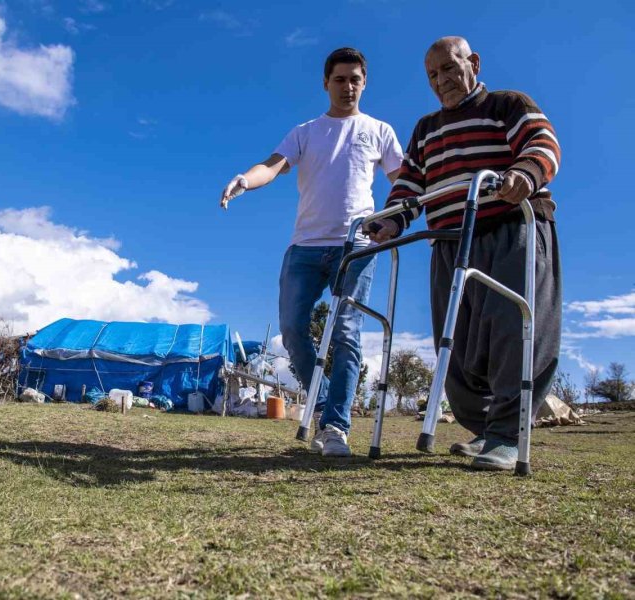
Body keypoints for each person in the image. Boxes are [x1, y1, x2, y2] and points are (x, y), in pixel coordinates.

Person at [369, 36, 561, 471]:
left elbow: (543, 144)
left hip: (509, 228)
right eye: (432, 76)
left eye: (449, 69)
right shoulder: (426, 128)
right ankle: (483, 429)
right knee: (455, 342)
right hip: (452, 240)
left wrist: (525, 174)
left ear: (472, 62)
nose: (442, 81)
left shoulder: (506, 105)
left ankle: (509, 435)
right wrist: (391, 220)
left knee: (512, 328)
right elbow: (410, 187)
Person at [220, 48, 402, 457]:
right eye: (340, 79)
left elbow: (402, 181)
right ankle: (320, 408)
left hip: (355, 244)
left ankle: (336, 427)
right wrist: (244, 181)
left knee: (346, 331)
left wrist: (394, 218)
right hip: (304, 246)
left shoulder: (379, 131)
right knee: (293, 329)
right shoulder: (306, 131)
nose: (348, 86)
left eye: (355, 79)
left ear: (364, 83)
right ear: (326, 83)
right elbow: (272, 165)